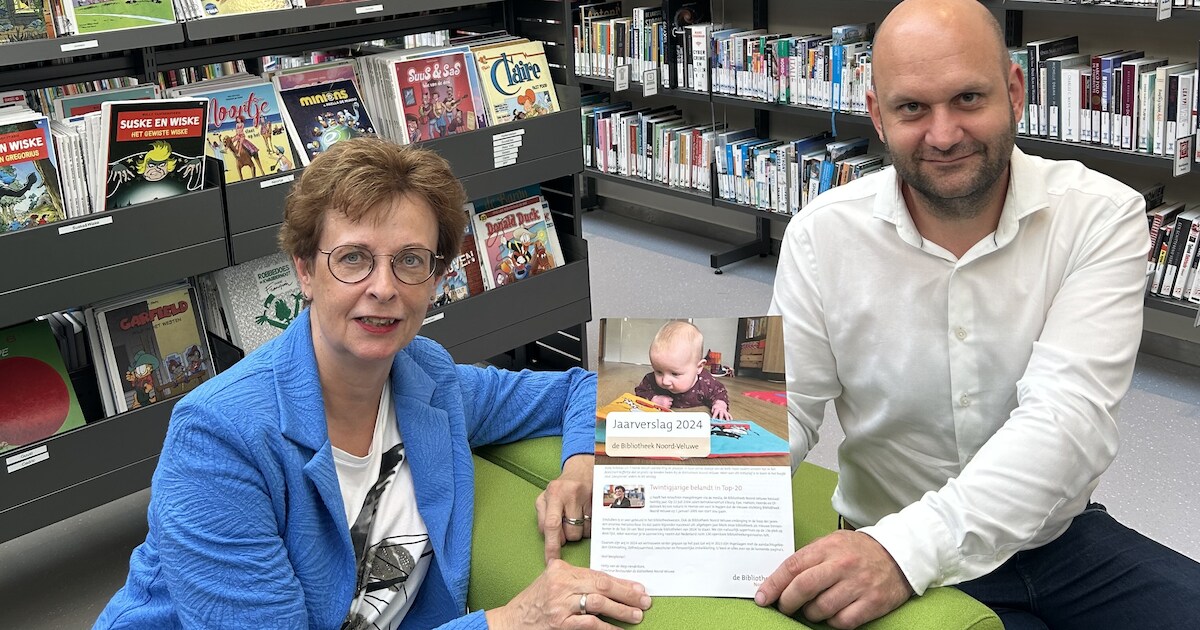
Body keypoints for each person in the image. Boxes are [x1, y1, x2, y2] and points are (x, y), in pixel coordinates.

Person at [758, 1, 1200, 629]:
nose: (943, 135)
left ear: (1015, 90)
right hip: (884, 545)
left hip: (1053, 540)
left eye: (968, 98)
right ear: (877, 115)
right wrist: (658, 505)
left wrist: (907, 551)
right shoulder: (821, 234)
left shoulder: (1100, 216)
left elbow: (1066, 417)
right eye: (912, 107)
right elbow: (786, 407)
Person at [95, 138, 652, 629]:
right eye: (353, 258)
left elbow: (580, 389)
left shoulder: (429, 379)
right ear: (305, 270)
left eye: (410, 260)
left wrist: (581, 465)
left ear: (435, 278)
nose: (384, 288)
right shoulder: (218, 438)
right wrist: (507, 622)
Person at [633, 321, 733, 420]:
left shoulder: (706, 383)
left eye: (675, 373)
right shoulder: (651, 380)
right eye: (659, 372)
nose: (665, 381)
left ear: (698, 367)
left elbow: (719, 392)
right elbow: (640, 391)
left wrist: (720, 405)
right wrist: (653, 399)